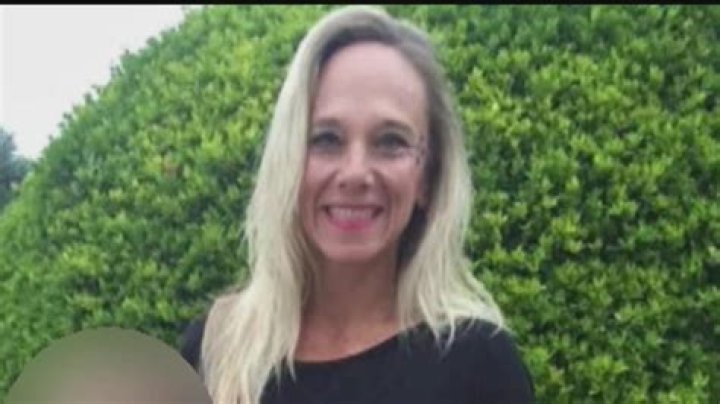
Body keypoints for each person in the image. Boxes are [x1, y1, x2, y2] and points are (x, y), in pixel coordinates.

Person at [181, 5, 535, 404]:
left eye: (390, 142)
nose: (355, 173)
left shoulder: (478, 365)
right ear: (288, 160)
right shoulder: (217, 351)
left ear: (427, 177)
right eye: (326, 139)